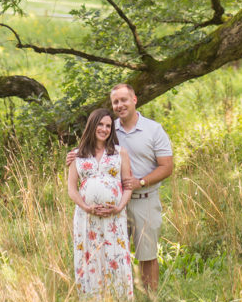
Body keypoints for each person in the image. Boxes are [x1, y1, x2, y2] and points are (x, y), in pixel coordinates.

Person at [67, 84, 173, 291]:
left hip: (143, 199)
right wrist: (73, 156)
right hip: (111, 207)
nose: (120, 105)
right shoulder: (108, 127)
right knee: (111, 251)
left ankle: (149, 300)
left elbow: (167, 167)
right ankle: (114, 296)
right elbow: (90, 151)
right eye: (115, 102)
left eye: (124, 100)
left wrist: (141, 182)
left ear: (134, 99)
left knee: (147, 254)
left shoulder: (153, 129)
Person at [67, 107, 134, 299]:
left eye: (108, 126)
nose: (104, 129)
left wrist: (119, 207)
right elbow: (71, 189)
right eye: (101, 124)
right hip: (86, 217)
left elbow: (128, 185)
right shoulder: (77, 155)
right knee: (90, 256)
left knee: (115, 254)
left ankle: (120, 300)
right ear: (92, 125)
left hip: (114, 216)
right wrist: (86, 207)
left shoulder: (120, 153)